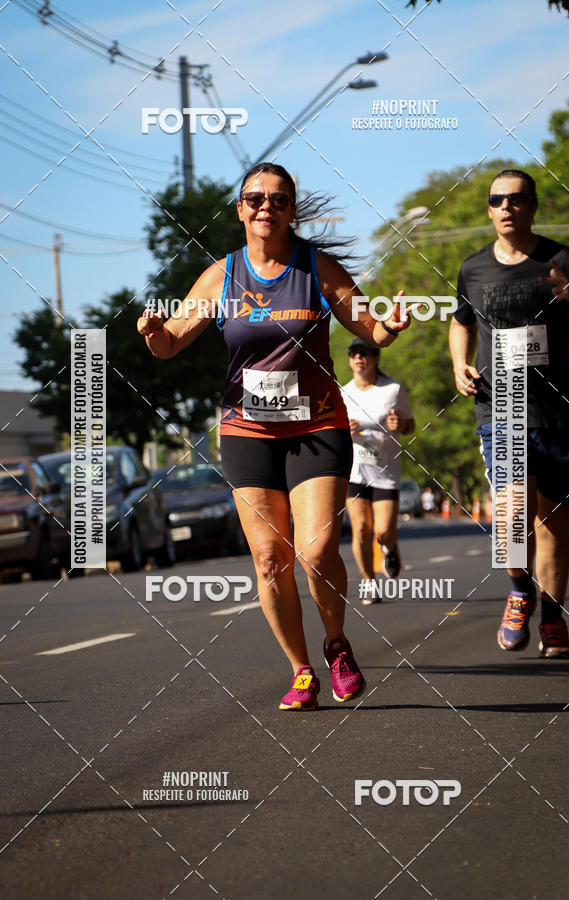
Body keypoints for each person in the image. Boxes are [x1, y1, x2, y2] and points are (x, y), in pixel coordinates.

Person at [137, 162, 416, 710]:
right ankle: (301, 670)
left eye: (279, 199)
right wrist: (152, 334)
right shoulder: (222, 276)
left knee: (313, 553)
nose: (267, 206)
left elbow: (370, 327)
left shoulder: (317, 268)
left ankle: (336, 643)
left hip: (315, 427)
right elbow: (170, 344)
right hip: (247, 430)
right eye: (255, 198)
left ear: (291, 208)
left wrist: (390, 325)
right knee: (269, 558)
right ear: (241, 209)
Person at [449, 168, 569, 658]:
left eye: (517, 199)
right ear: (489, 209)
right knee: (513, 514)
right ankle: (520, 590)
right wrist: (458, 364)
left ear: (533, 206)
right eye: (497, 200)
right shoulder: (473, 268)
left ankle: (554, 618)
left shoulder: (562, 258)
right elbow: (461, 323)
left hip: (555, 411)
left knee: (553, 522)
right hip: (501, 407)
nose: (507, 207)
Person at [342, 338, 414, 603]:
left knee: (383, 530)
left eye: (364, 353)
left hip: (385, 472)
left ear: (375, 358)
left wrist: (401, 423)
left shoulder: (392, 390)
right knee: (360, 528)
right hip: (355, 471)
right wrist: (342, 430)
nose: (358, 357)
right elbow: (331, 431)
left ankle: (389, 546)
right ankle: (369, 581)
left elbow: (410, 425)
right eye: (353, 353)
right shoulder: (343, 392)